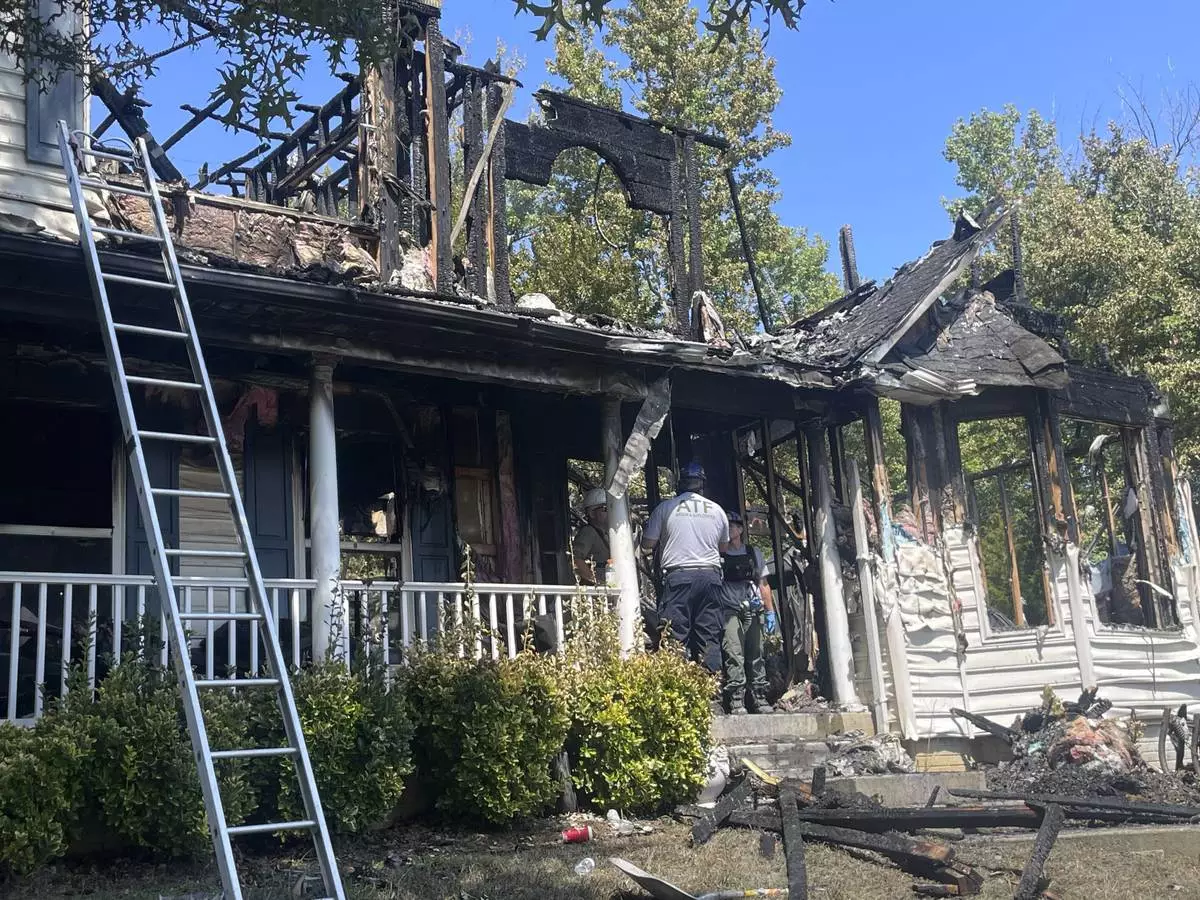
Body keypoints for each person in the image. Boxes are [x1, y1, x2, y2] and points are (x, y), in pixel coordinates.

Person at [642, 462, 728, 673]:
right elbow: (723, 547)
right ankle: (712, 688)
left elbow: (647, 544)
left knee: (675, 634)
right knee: (709, 635)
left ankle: (678, 686)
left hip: (679, 578)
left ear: (680, 484)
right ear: (702, 484)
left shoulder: (665, 508)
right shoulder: (717, 510)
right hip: (710, 577)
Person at [721, 511, 777, 715]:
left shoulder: (754, 553)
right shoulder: (719, 554)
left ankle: (759, 696)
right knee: (734, 652)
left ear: (741, 529)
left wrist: (770, 611)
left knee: (756, 653)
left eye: (733, 526)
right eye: (726, 526)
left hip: (753, 608)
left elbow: (763, 583)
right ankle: (737, 698)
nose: (730, 530)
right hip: (730, 609)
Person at [572, 487, 610, 585]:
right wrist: (596, 582)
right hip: (597, 591)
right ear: (592, 513)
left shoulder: (607, 533)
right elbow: (575, 559)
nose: (610, 512)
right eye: (605, 508)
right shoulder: (588, 532)